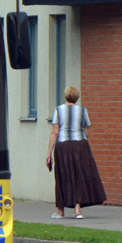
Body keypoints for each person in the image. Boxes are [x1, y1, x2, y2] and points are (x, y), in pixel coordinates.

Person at [46, 85, 106, 218]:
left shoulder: (58, 110)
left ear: (65, 96)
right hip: (80, 146)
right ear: (77, 97)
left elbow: (55, 132)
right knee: (79, 175)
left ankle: (60, 211)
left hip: (63, 146)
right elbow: (87, 131)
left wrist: (49, 153)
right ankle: (78, 209)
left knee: (62, 176)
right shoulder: (82, 110)